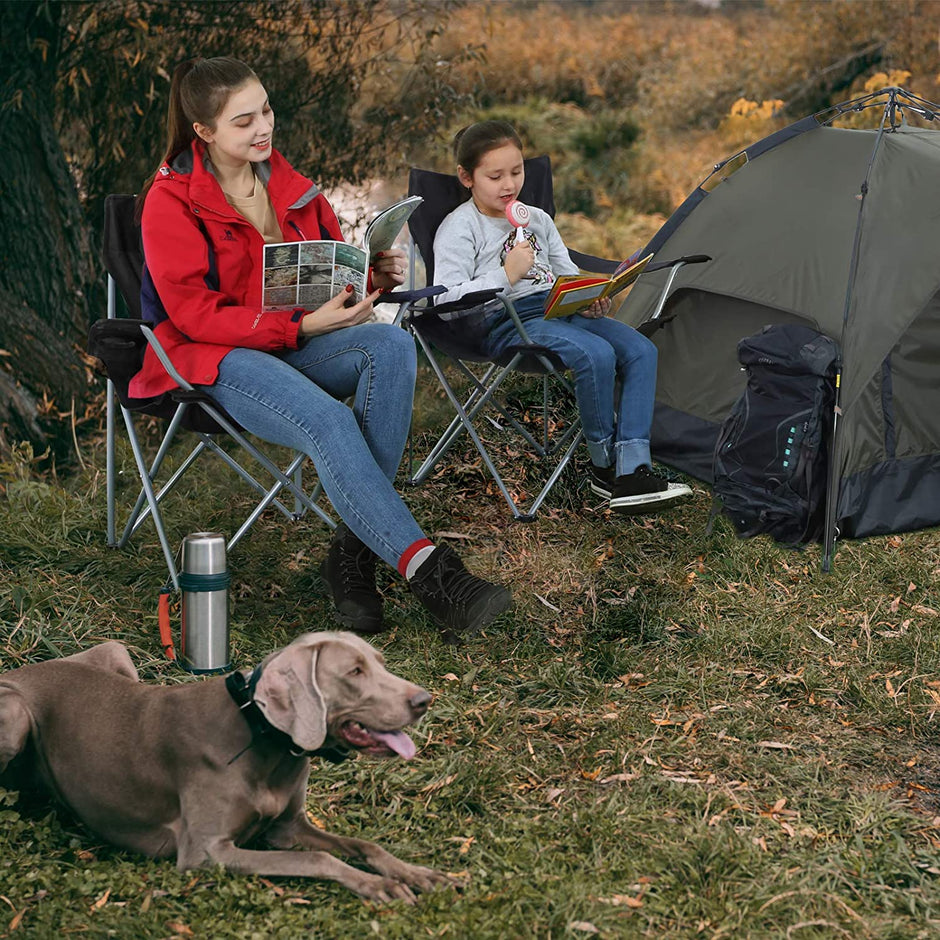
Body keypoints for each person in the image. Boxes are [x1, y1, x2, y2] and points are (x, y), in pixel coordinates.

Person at [130, 57, 511, 641]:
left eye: (266, 110)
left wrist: (371, 281)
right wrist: (302, 329)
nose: (263, 128)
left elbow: (334, 265)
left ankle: (350, 557)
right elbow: (192, 314)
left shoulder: (288, 183)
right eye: (243, 121)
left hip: (294, 337)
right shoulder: (171, 201)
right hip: (213, 357)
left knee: (389, 345)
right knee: (327, 419)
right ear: (204, 132)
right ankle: (431, 574)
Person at [433, 120, 691, 513]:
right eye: (495, 176)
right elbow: (446, 298)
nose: (508, 185)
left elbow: (564, 272)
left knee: (640, 350)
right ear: (467, 177)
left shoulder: (536, 218)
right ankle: (604, 470)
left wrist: (588, 297)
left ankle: (633, 467)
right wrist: (506, 274)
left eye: (516, 172)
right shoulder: (460, 227)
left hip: (558, 309)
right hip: (507, 321)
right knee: (596, 354)